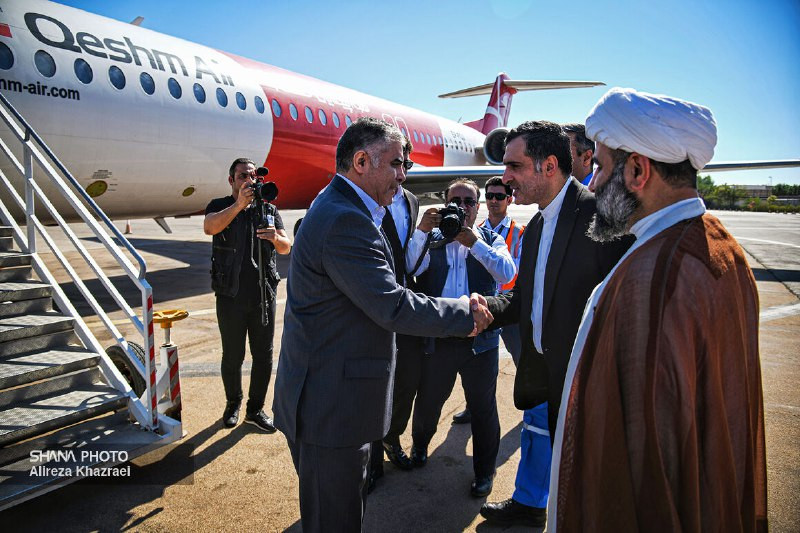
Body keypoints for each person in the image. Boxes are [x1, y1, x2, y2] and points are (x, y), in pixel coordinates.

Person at [547, 88, 767, 531]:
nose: (592, 185)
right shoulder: (723, 246)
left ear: (637, 170)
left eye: (600, 167)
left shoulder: (654, 276)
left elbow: (646, 460)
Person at [272, 118, 493, 533]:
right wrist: (464, 313)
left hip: (330, 399)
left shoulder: (342, 206)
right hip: (330, 410)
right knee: (333, 522)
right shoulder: (345, 219)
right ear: (361, 162)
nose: (403, 175)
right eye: (395, 164)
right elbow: (391, 304)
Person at [474, 121, 631, 527]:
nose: (505, 177)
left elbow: (628, 309)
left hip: (587, 381)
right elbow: (524, 297)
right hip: (545, 373)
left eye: (514, 166)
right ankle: (531, 506)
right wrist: (484, 308)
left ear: (548, 166)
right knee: (544, 445)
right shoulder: (538, 225)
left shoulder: (601, 216)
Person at [406, 178, 516, 498]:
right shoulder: (432, 239)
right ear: (445, 204)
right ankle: (420, 445)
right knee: (429, 402)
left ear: (477, 208)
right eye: (456, 201)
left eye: (469, 202)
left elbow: (507, 273)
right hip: (439, 339)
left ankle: (484, 472)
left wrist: (474, 243)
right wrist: (422, 230)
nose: (462, 207)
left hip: (480, 343)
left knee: (483, 409)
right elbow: (410, 266)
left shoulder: (490, 238)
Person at [204, 158, 292, 432]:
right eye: (243, 176)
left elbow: (286, 247)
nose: (249, 181)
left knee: (264, 356)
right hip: (230, 295)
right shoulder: (219, 205)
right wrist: (239, 205)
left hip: (263, 295)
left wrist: (274, 238)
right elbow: (210, 227)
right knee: (233, 355)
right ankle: (233, 403)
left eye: (253, 176)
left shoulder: (268, 208)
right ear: (231, 180)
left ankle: (255, 409)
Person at [369, 138, 421, 491]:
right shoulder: (370, 201)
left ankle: (393, 436)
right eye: (396, 164)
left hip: (408, 304)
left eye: (407, 165)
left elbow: (409, 256)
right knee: (376, 385)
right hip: (377, 306)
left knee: (407, 382)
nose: (401, 173)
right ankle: (372, 461)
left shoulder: (412, 202)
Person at [452, 176, 525, 426]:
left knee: (520, 357)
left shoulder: (519, 232)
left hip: (509, 308)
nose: (494, 201)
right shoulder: (475, 229)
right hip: (485, 306)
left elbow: (517, 271)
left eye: (500, 196)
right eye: (490, 196)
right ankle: (472, 406)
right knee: (478, 365)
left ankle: (530, 404)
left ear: (509, 200)